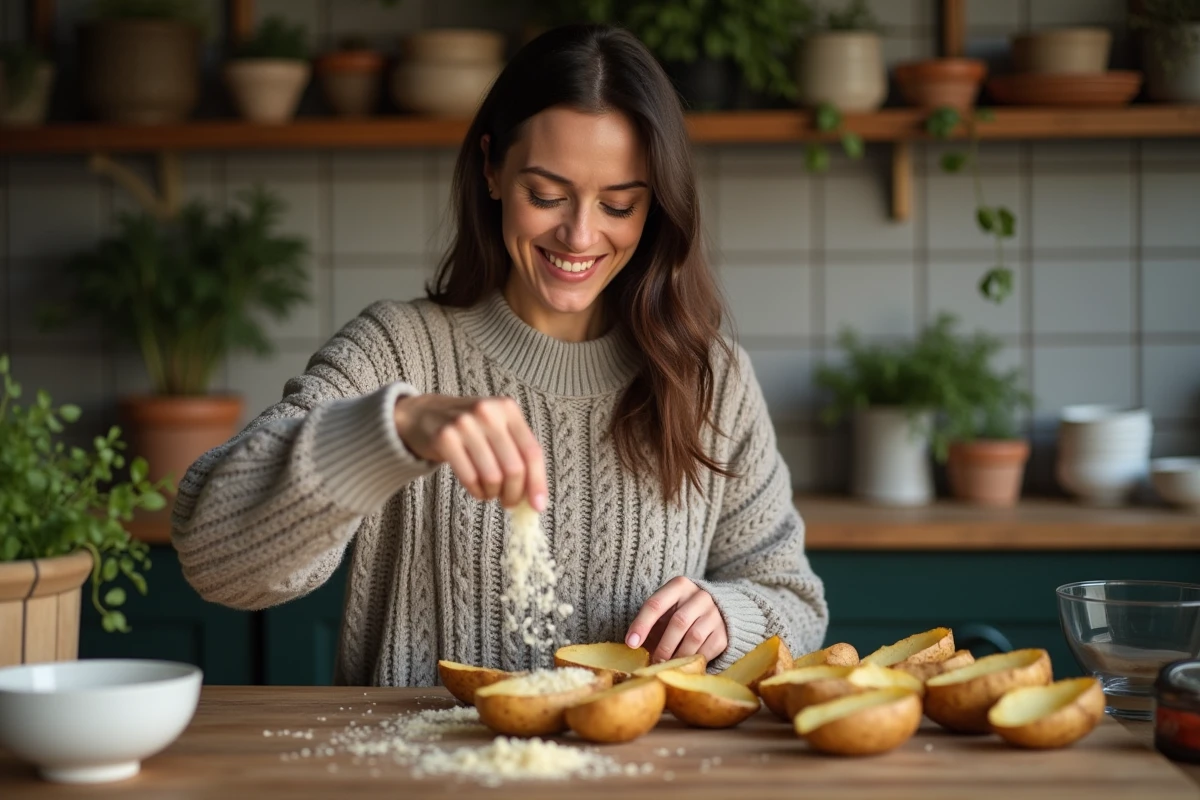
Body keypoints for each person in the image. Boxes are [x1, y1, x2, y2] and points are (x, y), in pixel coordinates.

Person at [171, 23, 828, 687]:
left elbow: (794, 602)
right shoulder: (394, 352)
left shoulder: (710, 378)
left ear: (655, 206)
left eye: (619, 205)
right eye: (546, 195)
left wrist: (728, 616)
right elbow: (214, 558)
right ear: (492, 169)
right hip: (414, 754)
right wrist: (391, 430)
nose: (579, 235)